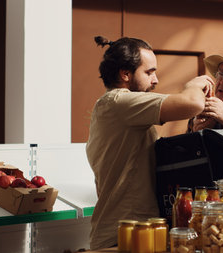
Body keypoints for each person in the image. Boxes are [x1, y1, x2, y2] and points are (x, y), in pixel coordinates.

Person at [86, 36, 213, 250]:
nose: (155, 80)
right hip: (125, 236)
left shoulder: (114, 109)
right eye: (149, 72)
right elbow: (192, 103)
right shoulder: (120, 102)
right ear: (125, 74)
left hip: (138, 232)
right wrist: (194, 84)